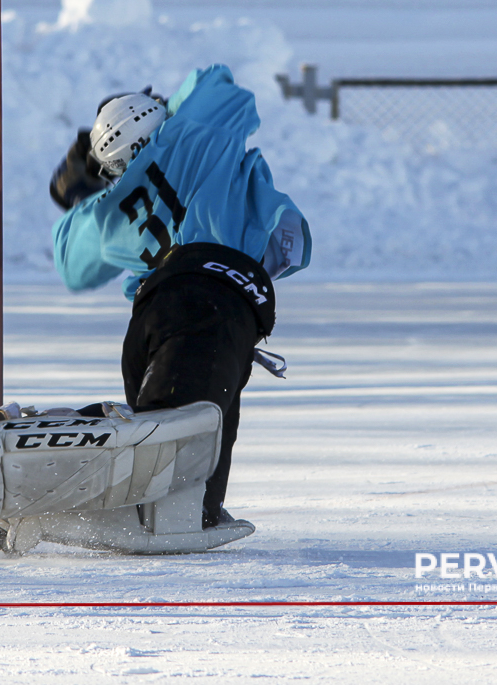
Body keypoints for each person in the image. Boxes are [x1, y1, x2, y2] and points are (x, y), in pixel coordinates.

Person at [48, 64, 310, 533]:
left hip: (151, 322)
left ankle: (68, 462)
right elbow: (220, 83)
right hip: (211, 311)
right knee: (174, 497)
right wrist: (170, 104)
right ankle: (74, 489)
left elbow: (71, 261)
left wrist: (83, 186)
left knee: (178, 465)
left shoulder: (111, 212)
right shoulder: (196, 130)